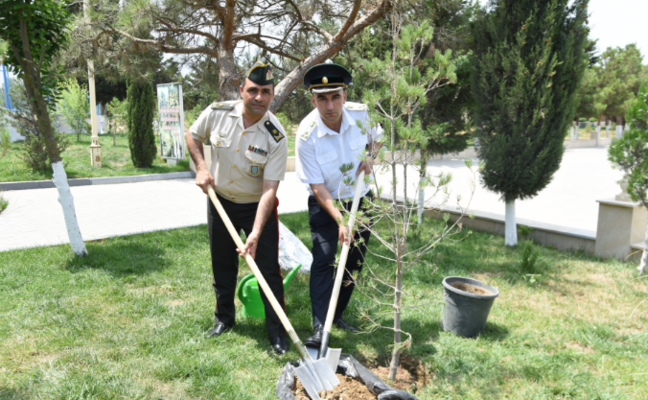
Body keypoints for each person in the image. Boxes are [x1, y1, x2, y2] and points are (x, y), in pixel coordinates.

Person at [186, 60, 290, 355]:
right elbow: (193, 136)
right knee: (222, 265)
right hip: (220, 203)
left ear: (272, 95)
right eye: (253, 90)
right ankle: (224, 319)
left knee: (267, 269)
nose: (259, 97)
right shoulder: (217, 113)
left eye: (266, 92)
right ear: (241, 90)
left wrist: (256, 232)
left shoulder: (276, 135)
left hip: (258, 206)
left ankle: (277, 333)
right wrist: (202, 167)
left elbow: (270, 189)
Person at [295, 63, 383, 347]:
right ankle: (321, 325)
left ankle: (338, 314)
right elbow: (317, 186)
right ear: (313, 100)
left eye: (335, 96)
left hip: (361, 200)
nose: (329, 105)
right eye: (322, 98)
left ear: (345, 96)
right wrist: (340, 220)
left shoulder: (361, 114)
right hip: (326, 203)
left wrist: (371, 157)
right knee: (324, 260)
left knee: (353, 261)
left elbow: (377, 138)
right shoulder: (306, 135)